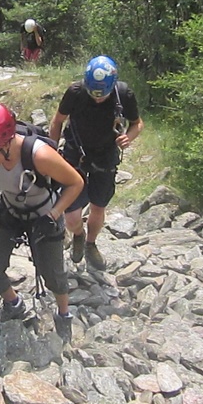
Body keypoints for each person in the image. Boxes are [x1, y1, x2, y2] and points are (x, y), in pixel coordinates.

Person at [0, 103, 84, 341]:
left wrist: (53, 215)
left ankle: (64, 313)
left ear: (6, 143)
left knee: (53, 274)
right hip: (10, 212)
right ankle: (14, 303)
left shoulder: (39, 155)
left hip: (44, 214)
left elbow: (76, 183)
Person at [49, 55, 144, 271]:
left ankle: (91, 244)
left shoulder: (124, 94)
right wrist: (52, 152)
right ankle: (78, 235)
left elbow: (137, 124)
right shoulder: (75, 92)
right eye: (93, 94)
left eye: (102, 95)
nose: (98, 99)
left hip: (106, 155)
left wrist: (129, 136)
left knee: (98, 206)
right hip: (76, 153)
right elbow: (57, 121)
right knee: (71, 214)